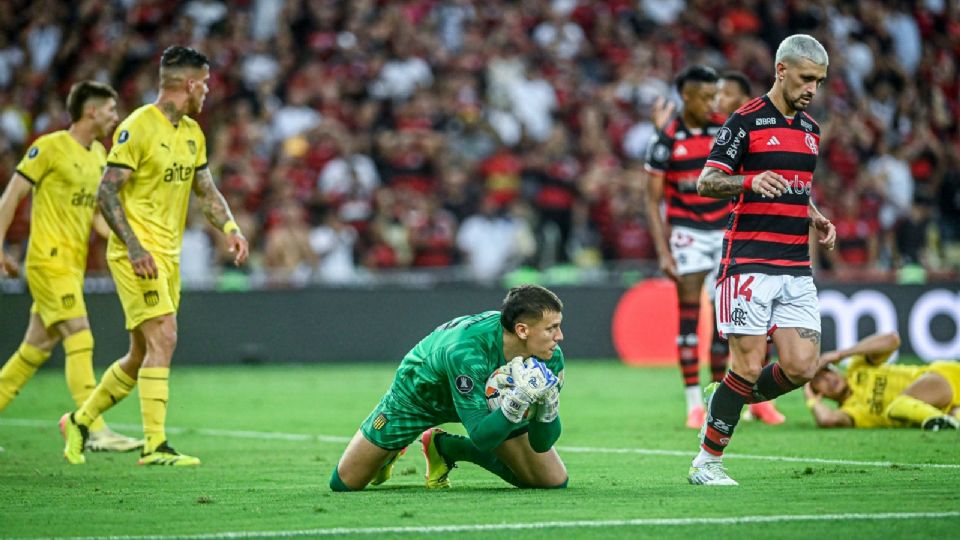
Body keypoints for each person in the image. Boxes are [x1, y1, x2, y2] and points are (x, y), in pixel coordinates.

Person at [60, 46, 250, 466]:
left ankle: (80, 420)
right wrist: (133, 245)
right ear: (190, 84)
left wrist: (231, 229)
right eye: (206, 83)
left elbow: (207, 191)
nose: (208, 92)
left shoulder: (193, 134)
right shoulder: (138, 127)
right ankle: (155, 444)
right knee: (165, 335)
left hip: (168, 255)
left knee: (141, 353)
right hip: (137, 254)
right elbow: (106, 191)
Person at [688, 34, 837, 486]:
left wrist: (814, 216)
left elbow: (796, 189)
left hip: (794, 266)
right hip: (747, 262)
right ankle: (707, 462)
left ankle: (726, 397)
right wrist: (750, 181)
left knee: (802, 367)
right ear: (781, 71)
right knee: (749, 365)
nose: (812, 88)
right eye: (806, 78)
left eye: (820, 81)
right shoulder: (744, 122)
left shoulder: (810, 132)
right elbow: (707, 181)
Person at [0, 81, 141, 453]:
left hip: (72, 266)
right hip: (47, 260)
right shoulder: (48, 147)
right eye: (111, 110)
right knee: (80, 334)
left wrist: (128, 245)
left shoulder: (98, 155)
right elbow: (13, 193)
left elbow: (96, 216)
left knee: (34, 350)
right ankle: (93, 427)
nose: (116, 117)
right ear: (91, 111)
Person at [330, 284, 567, 491]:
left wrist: (548, 407)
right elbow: (482, 437)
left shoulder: (550, 357)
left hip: (481, 397)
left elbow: (542, 443)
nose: (560, 336)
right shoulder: (467, 351)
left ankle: (447, 447)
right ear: (522, 330)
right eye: (551, 328)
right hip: (420, 397)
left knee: (552, 480)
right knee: (346, 483)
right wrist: (518, 400)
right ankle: (391, 449)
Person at [643, 65, 732, 429]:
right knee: (690, 317)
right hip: (687, 234)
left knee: (725, 321)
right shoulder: (665, 139)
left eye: (716, 95)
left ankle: (715, 398)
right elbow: (651, 200)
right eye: (706, 96)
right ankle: (693, 403)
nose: (712, 102)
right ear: (687, 97)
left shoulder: (724, 129)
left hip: (724, 229)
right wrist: (663, 251)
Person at [715, 71, 787, 426]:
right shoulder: (732, 129)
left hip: (763, 243)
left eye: (726, 94)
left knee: (768, 329)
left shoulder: (763, 128)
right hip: (722, 242)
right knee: (728, 332)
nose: (718, 100)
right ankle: (724, 392)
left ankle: (744, 399)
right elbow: (704, 182)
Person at [804, 332, 959, 430]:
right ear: (820, 394)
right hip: (948, 406)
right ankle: (947, 419)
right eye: (819, 381)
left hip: (944, 378)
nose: (828, 379)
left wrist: (842, 354)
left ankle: (939, 421)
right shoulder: (852, 412)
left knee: (898, 406)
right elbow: (827, 420)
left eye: (827, 371)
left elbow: (893, 340)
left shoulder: (859, 367)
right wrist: (811, 399)